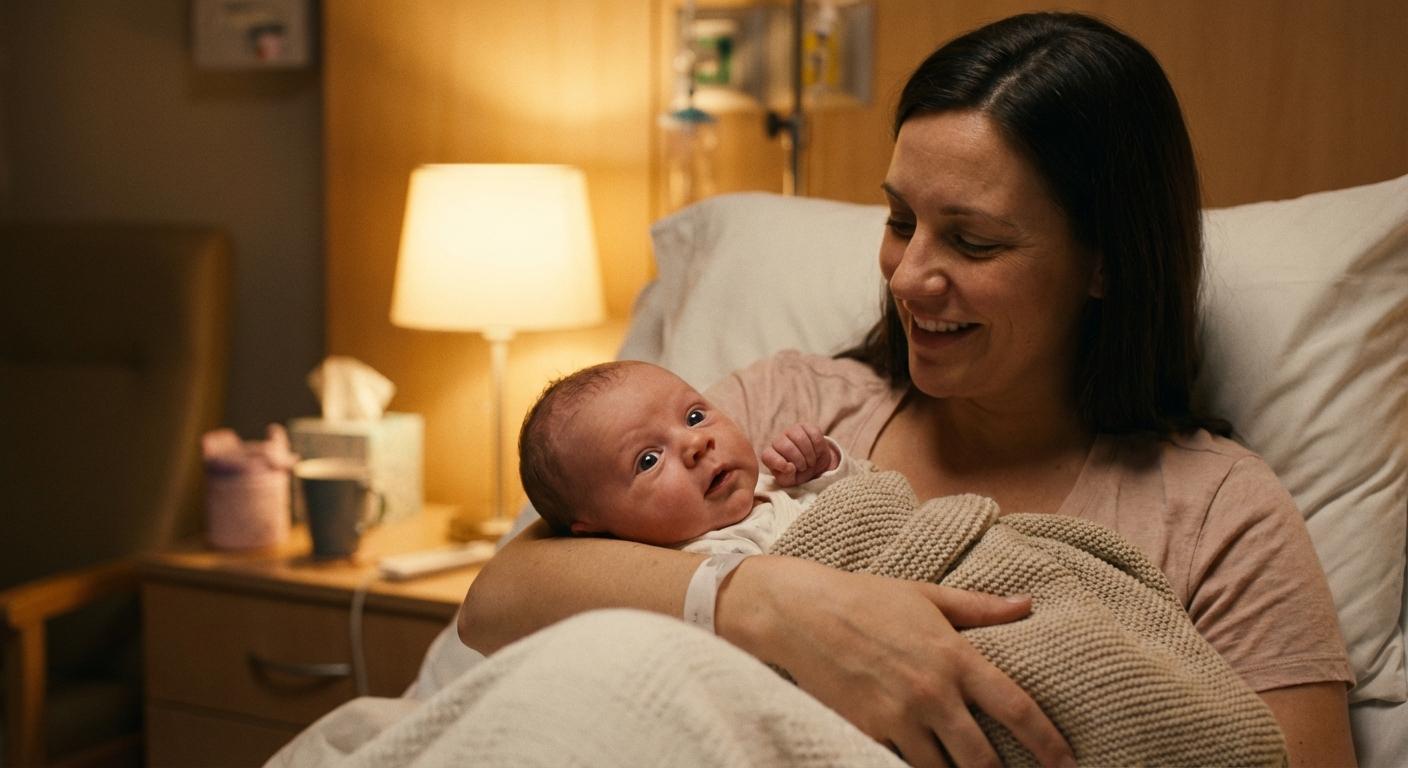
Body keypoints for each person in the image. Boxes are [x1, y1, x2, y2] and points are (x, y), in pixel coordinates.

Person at [460, 12, 1355, 767]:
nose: (908, 275)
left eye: (972, 241)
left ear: (1104, 265)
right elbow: (498, 601)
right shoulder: (774, 415)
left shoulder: (1213, 509)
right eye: (899, 221)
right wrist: (778, 605)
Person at [517, 359, 867, 555]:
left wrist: (824, 467)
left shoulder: (775, 482)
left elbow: (863, 494)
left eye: (695, 417)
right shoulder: (695, 563)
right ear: (596, 531)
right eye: (648, 460)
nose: (695, 443)